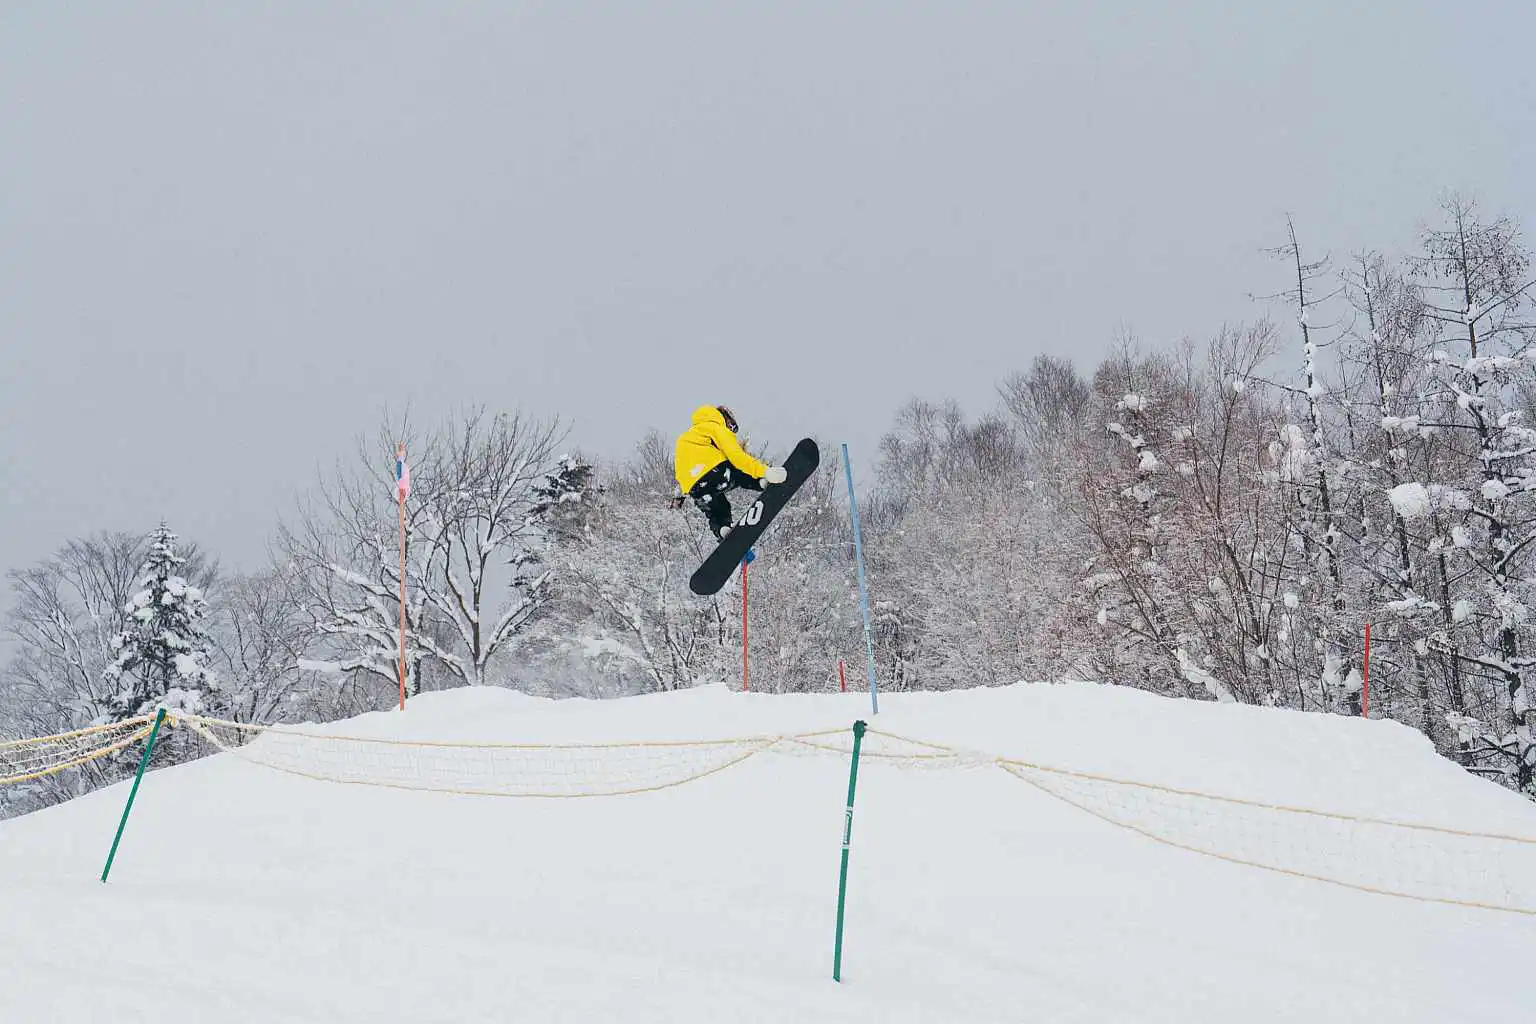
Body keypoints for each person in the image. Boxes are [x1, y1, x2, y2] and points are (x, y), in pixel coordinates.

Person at [673, 405, 787, 539]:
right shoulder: (715, 427)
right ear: (723, 417)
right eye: (731, 427)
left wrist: (678, 498)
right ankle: (761, 482)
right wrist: (765, 471)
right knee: (738, 469)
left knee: (718, 509)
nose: (732, 431)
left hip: (693, 487)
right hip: (714, 472)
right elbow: (737, 457)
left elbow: (682, 470)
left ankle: (723, 529)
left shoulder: (686, 437)